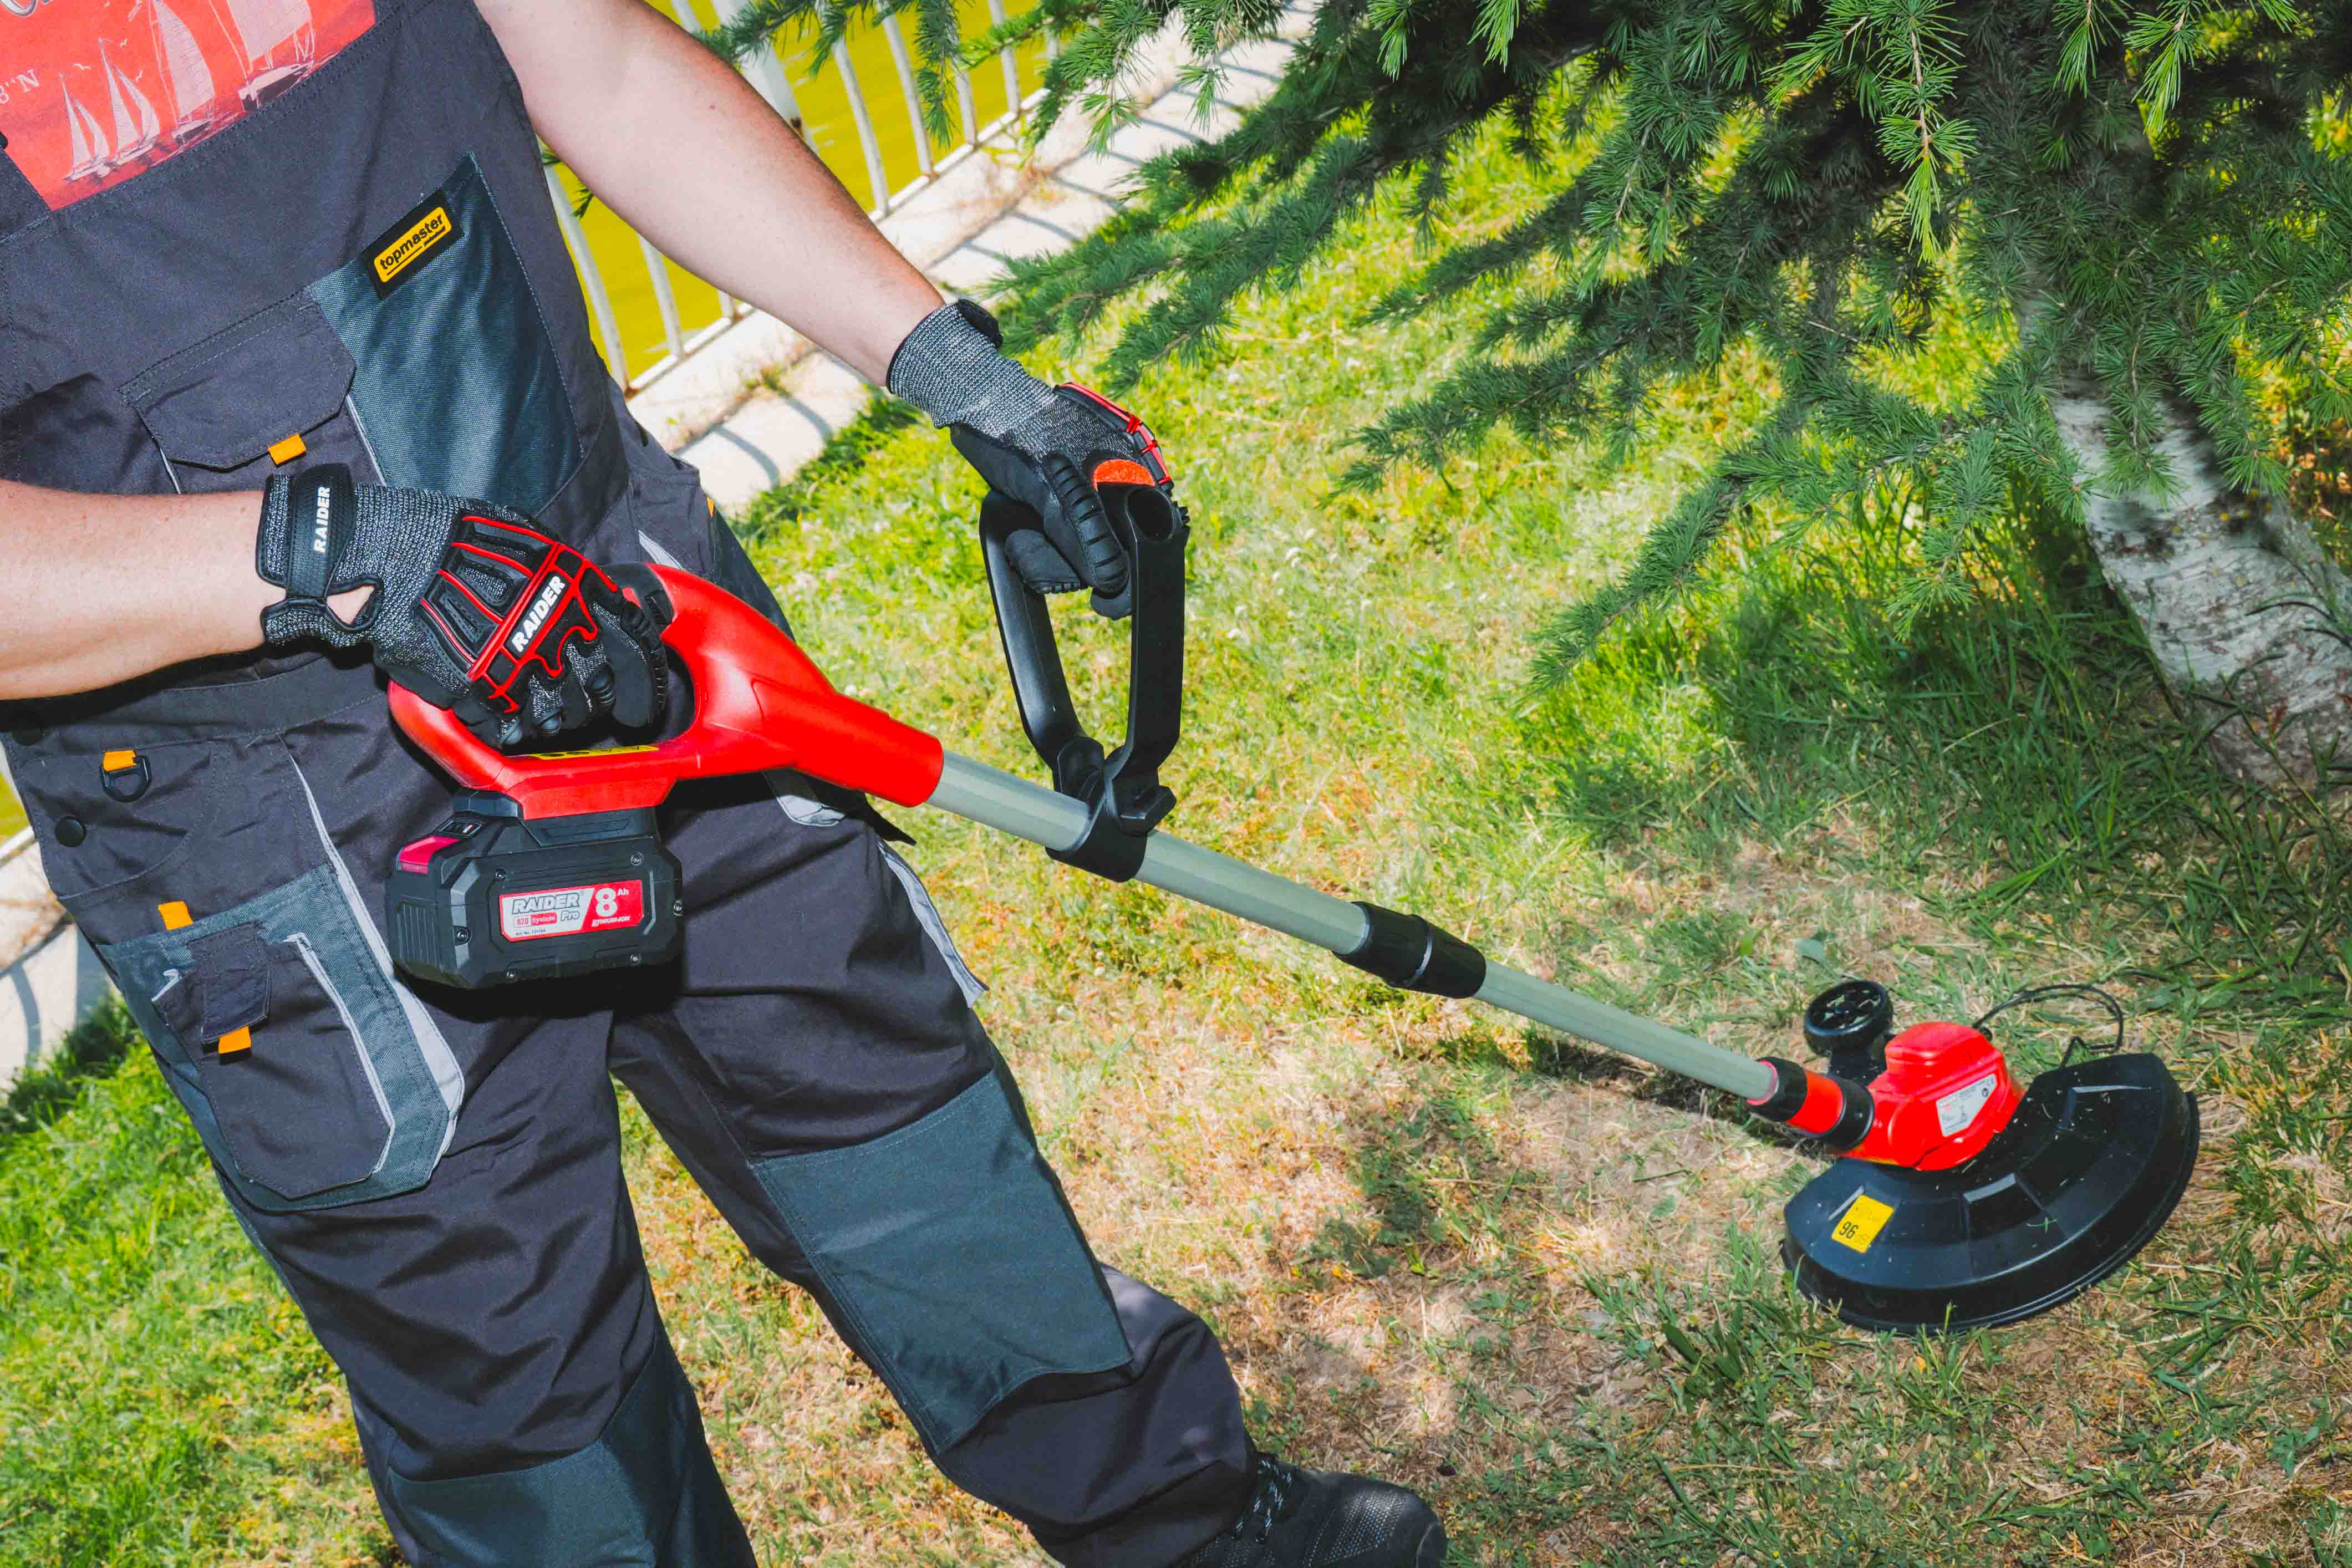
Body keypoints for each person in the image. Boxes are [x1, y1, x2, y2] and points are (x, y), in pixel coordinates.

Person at [0, 2, 1449, 1564]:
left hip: (634, 623)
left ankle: (1182, 1526)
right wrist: (324, 555)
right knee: (512, 1367)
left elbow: (604, 64)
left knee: (894, 1112)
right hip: (267, 800)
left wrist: (955, 368)